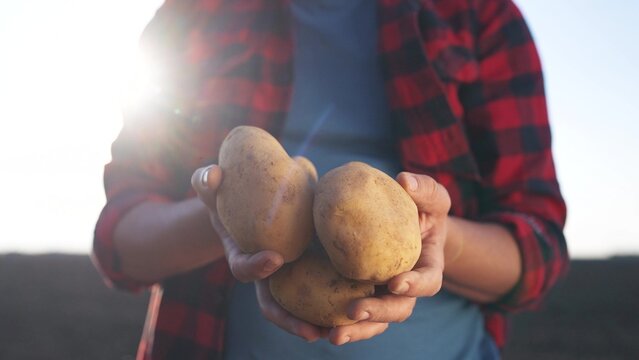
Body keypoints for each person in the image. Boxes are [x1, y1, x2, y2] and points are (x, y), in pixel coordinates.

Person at [93, 0, 568, 359]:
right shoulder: (197, 13)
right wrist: (226, 219)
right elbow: (119, 242)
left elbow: (538, 250)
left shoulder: (478, 12)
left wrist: (439, 239)